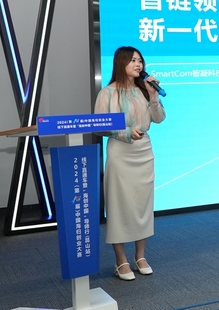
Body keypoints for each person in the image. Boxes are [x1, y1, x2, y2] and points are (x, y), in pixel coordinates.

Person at [94, 46, 166, 281]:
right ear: (120, 63)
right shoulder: (107, 93)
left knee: (142, 205)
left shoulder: (143, 90)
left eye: (140, 60)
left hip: (144, 151)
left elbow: (158, 119)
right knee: (119, 205)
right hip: (120, 152)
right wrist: (125, 132)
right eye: (133, 60)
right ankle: (120, 260)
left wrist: (153, 96)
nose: (138, 64)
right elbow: (99, 126)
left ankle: (140, 256)